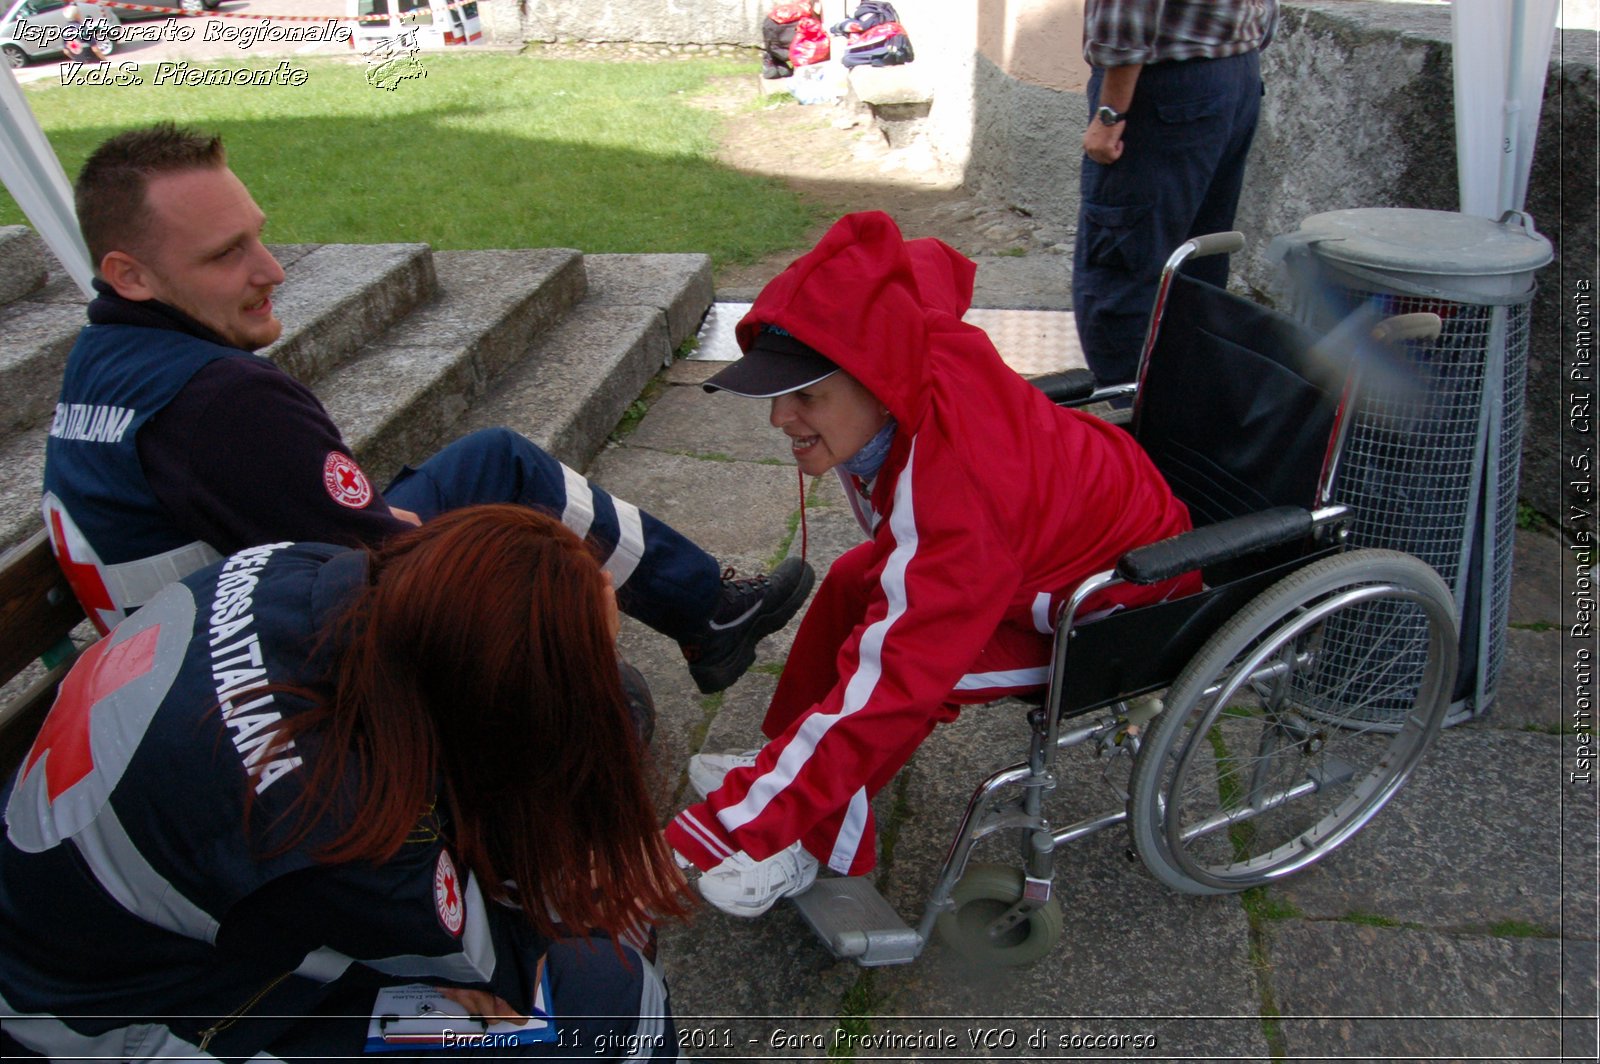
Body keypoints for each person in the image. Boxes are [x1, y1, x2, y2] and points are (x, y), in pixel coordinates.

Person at [41, 123, 811, 696]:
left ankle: (708, 610)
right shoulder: (220, 403)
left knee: (493, 460)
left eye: (259, 238)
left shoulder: (104, 360)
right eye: (223, 255)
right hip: (268, 687)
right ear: (129, 274)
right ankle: (695, 619)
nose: (270, 270)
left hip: (193, 650)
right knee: (614, 702)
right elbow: (390, 580)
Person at [0, 505, 690, 1059]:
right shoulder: (353, 835)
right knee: (606, 1001)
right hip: (120, 1025)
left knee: (620, 708)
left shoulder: (308, 566)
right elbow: (513, 970)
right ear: (493, 703)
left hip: (95, 913)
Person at [666, 212, 1201, 916]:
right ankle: (783, 768)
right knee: (853, 583)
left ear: (876, 383)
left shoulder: (955, 491)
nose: (779, 420)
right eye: (776, 393)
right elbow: (925, 263)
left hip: (1112, 603)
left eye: (806, 396)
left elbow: (891, 686)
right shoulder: (907, 339)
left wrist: (717, 829)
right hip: (1047, 538)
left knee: (895, 682)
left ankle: (793, 835)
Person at [1072, 0, 1277, 387]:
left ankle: (1131, 433)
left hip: (1165, 84)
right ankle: (1184, 427)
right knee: (1194, 272)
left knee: (1123, 273)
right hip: (1234, 69)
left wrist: (1110, 111)